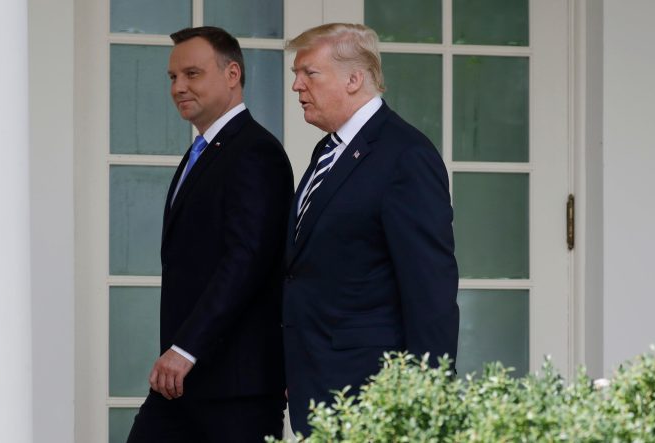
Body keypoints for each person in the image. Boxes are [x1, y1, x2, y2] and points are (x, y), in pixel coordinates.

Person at [282, 23, 460, 436]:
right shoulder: (328, 149)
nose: (296, 86)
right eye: (296, 74)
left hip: (371, 391)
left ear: (354, 79)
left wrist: (426, 398)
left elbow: (430, 289)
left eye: (309, 73)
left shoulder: (405, 155)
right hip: (318, 381)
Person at [126, 26, 293, 442]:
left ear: (232, 74)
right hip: (185, 383)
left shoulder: (256, 152)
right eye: (172, 78)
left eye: (192, 74)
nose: (178, 87)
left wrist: (184, 349)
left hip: (236, 390)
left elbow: (246, 261)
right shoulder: (202, 151)